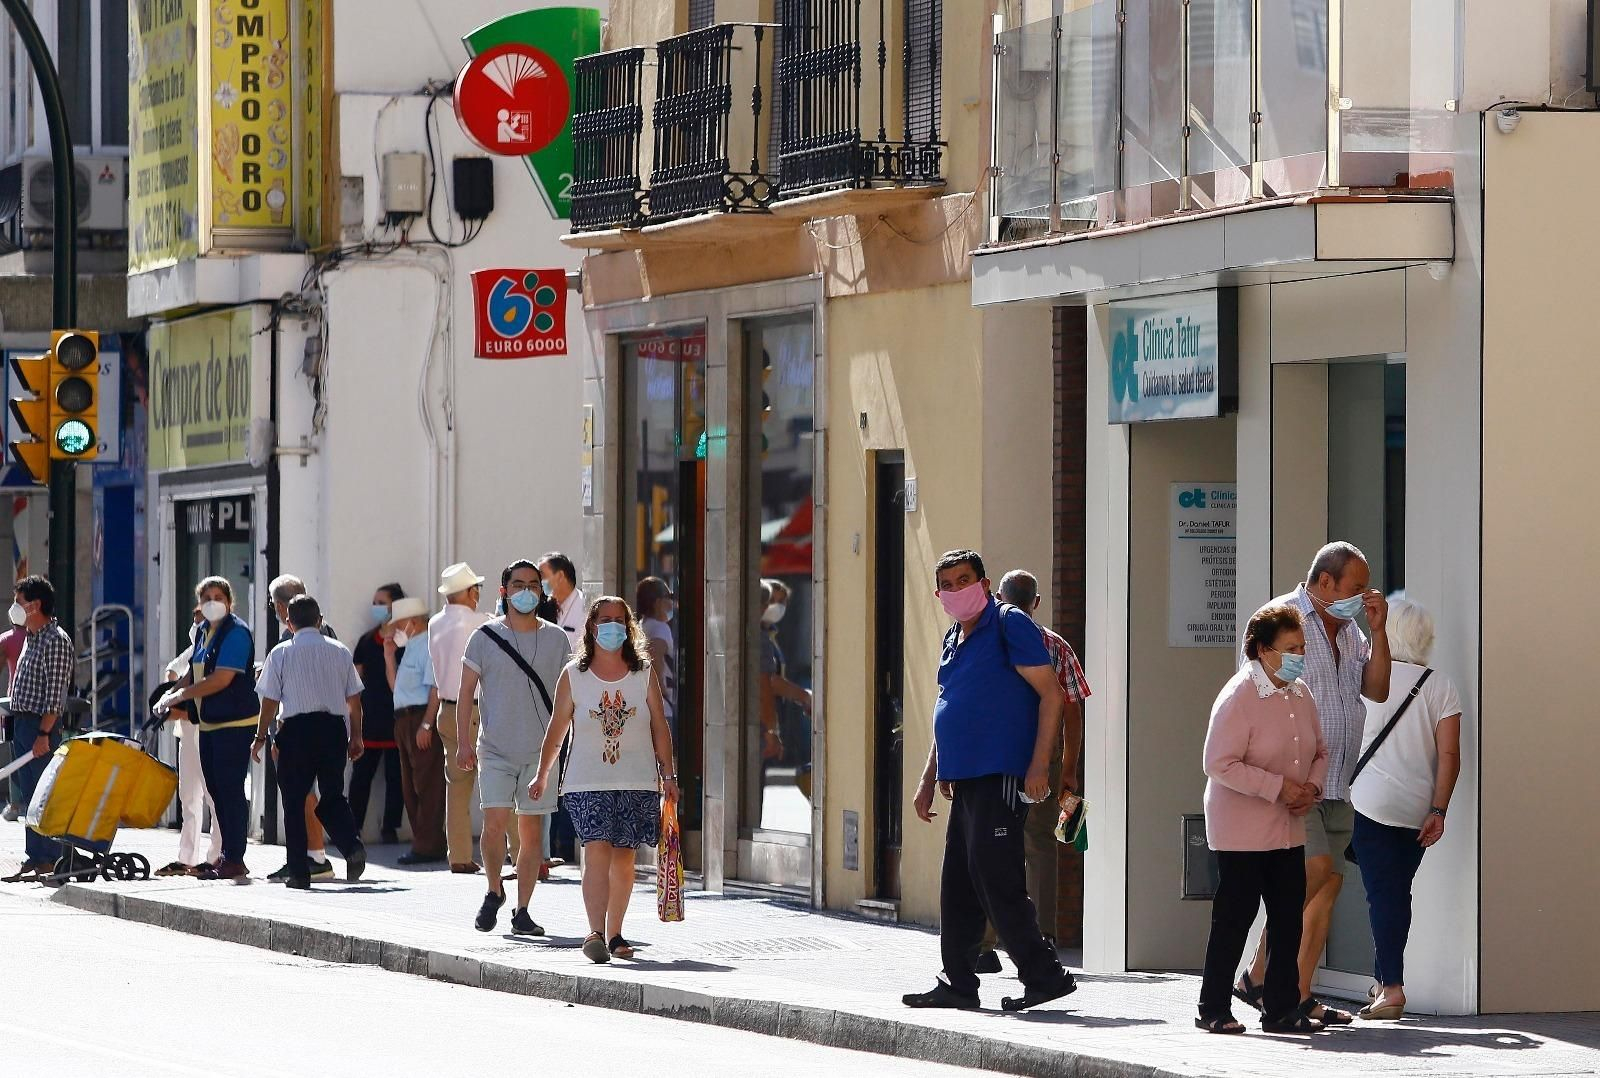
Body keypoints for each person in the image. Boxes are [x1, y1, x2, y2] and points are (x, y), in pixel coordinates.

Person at [902, 549, 1075, 1013]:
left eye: (965, 580)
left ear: (985, 581)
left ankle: (1044, 975)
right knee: (958, 882)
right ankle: (958, 982)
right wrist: (927, 778)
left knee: (996, 877)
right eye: (948, 585)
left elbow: (1052, 695)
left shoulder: (1009, 622)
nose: (958, 591)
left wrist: (1039, 766)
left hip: (1001, 772)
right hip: (966, 778)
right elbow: (950, 705)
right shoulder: (954, 637)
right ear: (940, 594)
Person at [1236, 542, 1391, 1026]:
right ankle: (1260, 976)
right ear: (1326, 582)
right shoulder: (1281, 620)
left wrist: (1379, 630)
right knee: (1314, 872)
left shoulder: (1351, 635)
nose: (1362, 595)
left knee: (1327, 889)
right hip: (1298, 781)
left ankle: (1298, 994)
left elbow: (1378, 689)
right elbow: (1254, 695)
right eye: (1355, 587)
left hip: (1341, 780)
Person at [1198, 604, 1329, 1035]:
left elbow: (1321, 752)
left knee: (1287, 917)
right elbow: (1218, 762)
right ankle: (1213, 1007)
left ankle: (1280, 1008)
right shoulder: (1239, 695)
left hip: (1287, 826)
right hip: (1240, 828)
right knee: (1235, 917)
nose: (1299, 656)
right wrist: (1277, 787)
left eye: (1302, 648)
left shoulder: (1301, 693)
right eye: (1291, 648)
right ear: (1263, 650)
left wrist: (1311, 787)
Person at [530, 596, 679, 963]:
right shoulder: (574, 675)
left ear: (628, 628)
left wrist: (669, 774)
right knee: (596, 849)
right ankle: (595, 931)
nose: (612, 626)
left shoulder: (643, 673)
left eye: (619, 619)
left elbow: (660, 726)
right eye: (604, 619)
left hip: (637, 779)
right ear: (592, 626)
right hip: (586, 780)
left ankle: (616, 934)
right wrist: (543, 773)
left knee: (624, 859)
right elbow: (557, 728)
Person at [1350, 598, 1462, 1021]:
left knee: (1383, 895)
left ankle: (1392, 988)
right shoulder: (1440, 684)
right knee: (1396, 893)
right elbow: (1449, 754)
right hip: (1418, 809)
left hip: (1370, 802)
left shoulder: (1368, 679)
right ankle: (1384, 982)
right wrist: (1439, 809)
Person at [975, 570, 1091, 972]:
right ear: (1036, 603)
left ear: (1000, 598)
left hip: (997, 756)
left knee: (990, 845)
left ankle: (984, 944)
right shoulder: (1056, 646)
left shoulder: (987, 639)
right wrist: (1069, 768)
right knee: (1040, 846)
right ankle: (1040, 936)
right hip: (1047, 754)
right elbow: (1073, 710)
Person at [455, 561, 568, 934]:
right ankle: (493, 889)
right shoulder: (483, 637)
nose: (526, 591)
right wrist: (463, 744)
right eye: (518, 584)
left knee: (532, 833)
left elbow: (568, 695)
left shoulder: (557, 639)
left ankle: (522, 911)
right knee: (494, 824)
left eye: (533, 584)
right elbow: (466, 693)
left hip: (540, 754)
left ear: (542, 591)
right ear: (503, 591)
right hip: (495, 749)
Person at [251, 595, 367, 889]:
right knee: (332, 794)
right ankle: (351, 845)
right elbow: (354, 700)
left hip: (296, 730)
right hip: (332, 729)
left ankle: (300, 873)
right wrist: (356, 736)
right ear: (320, 620)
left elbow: (269, 700)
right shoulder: (340, 651)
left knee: (293, 800)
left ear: (289, 623)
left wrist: (260, 737)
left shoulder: (280, 654)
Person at [155, 577, 260, 881]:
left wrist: (181, 696)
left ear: (229, 602)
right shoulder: (204, 631)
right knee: (216, 788)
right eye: (207, 597)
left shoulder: (236, 633)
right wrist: (170, 692)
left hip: (235, 723)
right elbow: (193, 670)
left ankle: (234, 858)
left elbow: (222, 678)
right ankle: (225, 856)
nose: (212, 601)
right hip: (210, 723)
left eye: (218, 596)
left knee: (229, 790)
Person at [1, 576, 74, 880]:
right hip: (22, 725)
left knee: (43, 795)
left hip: (40, 728)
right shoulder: (32, 636)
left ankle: (50, 858)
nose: (15, 608)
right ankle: (36, 856)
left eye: (20, 602)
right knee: (29, 794)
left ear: (36, 605)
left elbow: (55, 695)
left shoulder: (55, 639)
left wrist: (45, 734)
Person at [265, 574, 336, 881]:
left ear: (282, 607)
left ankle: (315, 857)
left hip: (298, 727)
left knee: (302, 794)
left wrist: (273, 733)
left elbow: (285, 688)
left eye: (272, 604)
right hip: (327, 724)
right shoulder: (325, 632)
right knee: (311, 792)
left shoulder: (291, 639)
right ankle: (310, 856)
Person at [426, 562, 491, 873]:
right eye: (475, 588)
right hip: (476, 708)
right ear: (468, 592)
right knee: (496, 782)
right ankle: (518, 852)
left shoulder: (434, 623)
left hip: (446, 709)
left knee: (457, 786)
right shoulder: (480, 621)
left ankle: (460, 856)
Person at [154, 605, 224, 877]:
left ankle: (217, 855)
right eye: (195, 620)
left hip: (207, 729)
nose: (197, 625)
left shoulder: (218, 648)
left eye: (201, 620)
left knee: (213, 796)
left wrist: (181, 694)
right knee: (188, 796)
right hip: (187, 732)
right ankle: (188, 857)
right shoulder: (196, 648)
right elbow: (173, 672)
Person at [386, 595, 446, 866]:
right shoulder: (411, 646)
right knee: (411, 785)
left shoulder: (428, 646)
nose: (394, 630)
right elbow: (397, 686)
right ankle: (423, 841)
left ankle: (428, 844)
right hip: (404, 719)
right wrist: (389, 656)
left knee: (427, 784)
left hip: (419, 718)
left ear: (411, 623)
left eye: (398, 624)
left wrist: (427, 724)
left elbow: (435, 688)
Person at [350, 583, 405, 844]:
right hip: (370, 719)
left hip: (398, 718)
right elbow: (355, 679)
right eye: (375, 602)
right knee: (361, 777)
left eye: (381, 602)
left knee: (397, 778)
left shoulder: (407, 641)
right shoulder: (366, 641)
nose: (377, 608)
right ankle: (352, 827)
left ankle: (390, 828)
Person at [758, 579, 812, 769]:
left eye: (782, 602)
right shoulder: (760, 638)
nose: (776, 607)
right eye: (772, 600)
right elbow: (768, 682)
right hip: (759, 726)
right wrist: (804, 696)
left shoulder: (769, 635)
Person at [635, 577, 676, 737]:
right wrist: (663, 691)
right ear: (658, 602)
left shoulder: (642, 625)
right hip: (663, 707)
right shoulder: (661, 628)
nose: (671, 604)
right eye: (669, 598)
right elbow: (655, 656)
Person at [0, 621, 26, 822]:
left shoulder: (7, 639)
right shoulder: (42, 637)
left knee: (15, 753)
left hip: (14, 703)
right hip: (39, 703)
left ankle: (16, 804)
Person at [538, 552, 587, 641]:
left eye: (542, 576)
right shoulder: (542, 607)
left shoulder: (585, 607)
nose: (539, 581)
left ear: (560, 575)